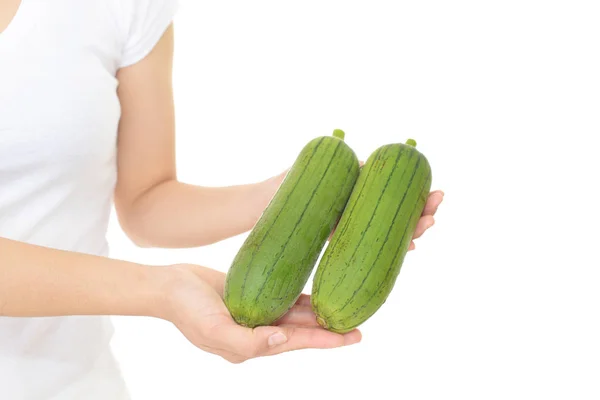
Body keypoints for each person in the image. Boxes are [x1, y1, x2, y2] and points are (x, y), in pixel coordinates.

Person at [0, 0, 444, 398]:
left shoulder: (122, 6)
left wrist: (300, 199)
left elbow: (147, 204)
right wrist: (161, 290)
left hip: (77, 383)